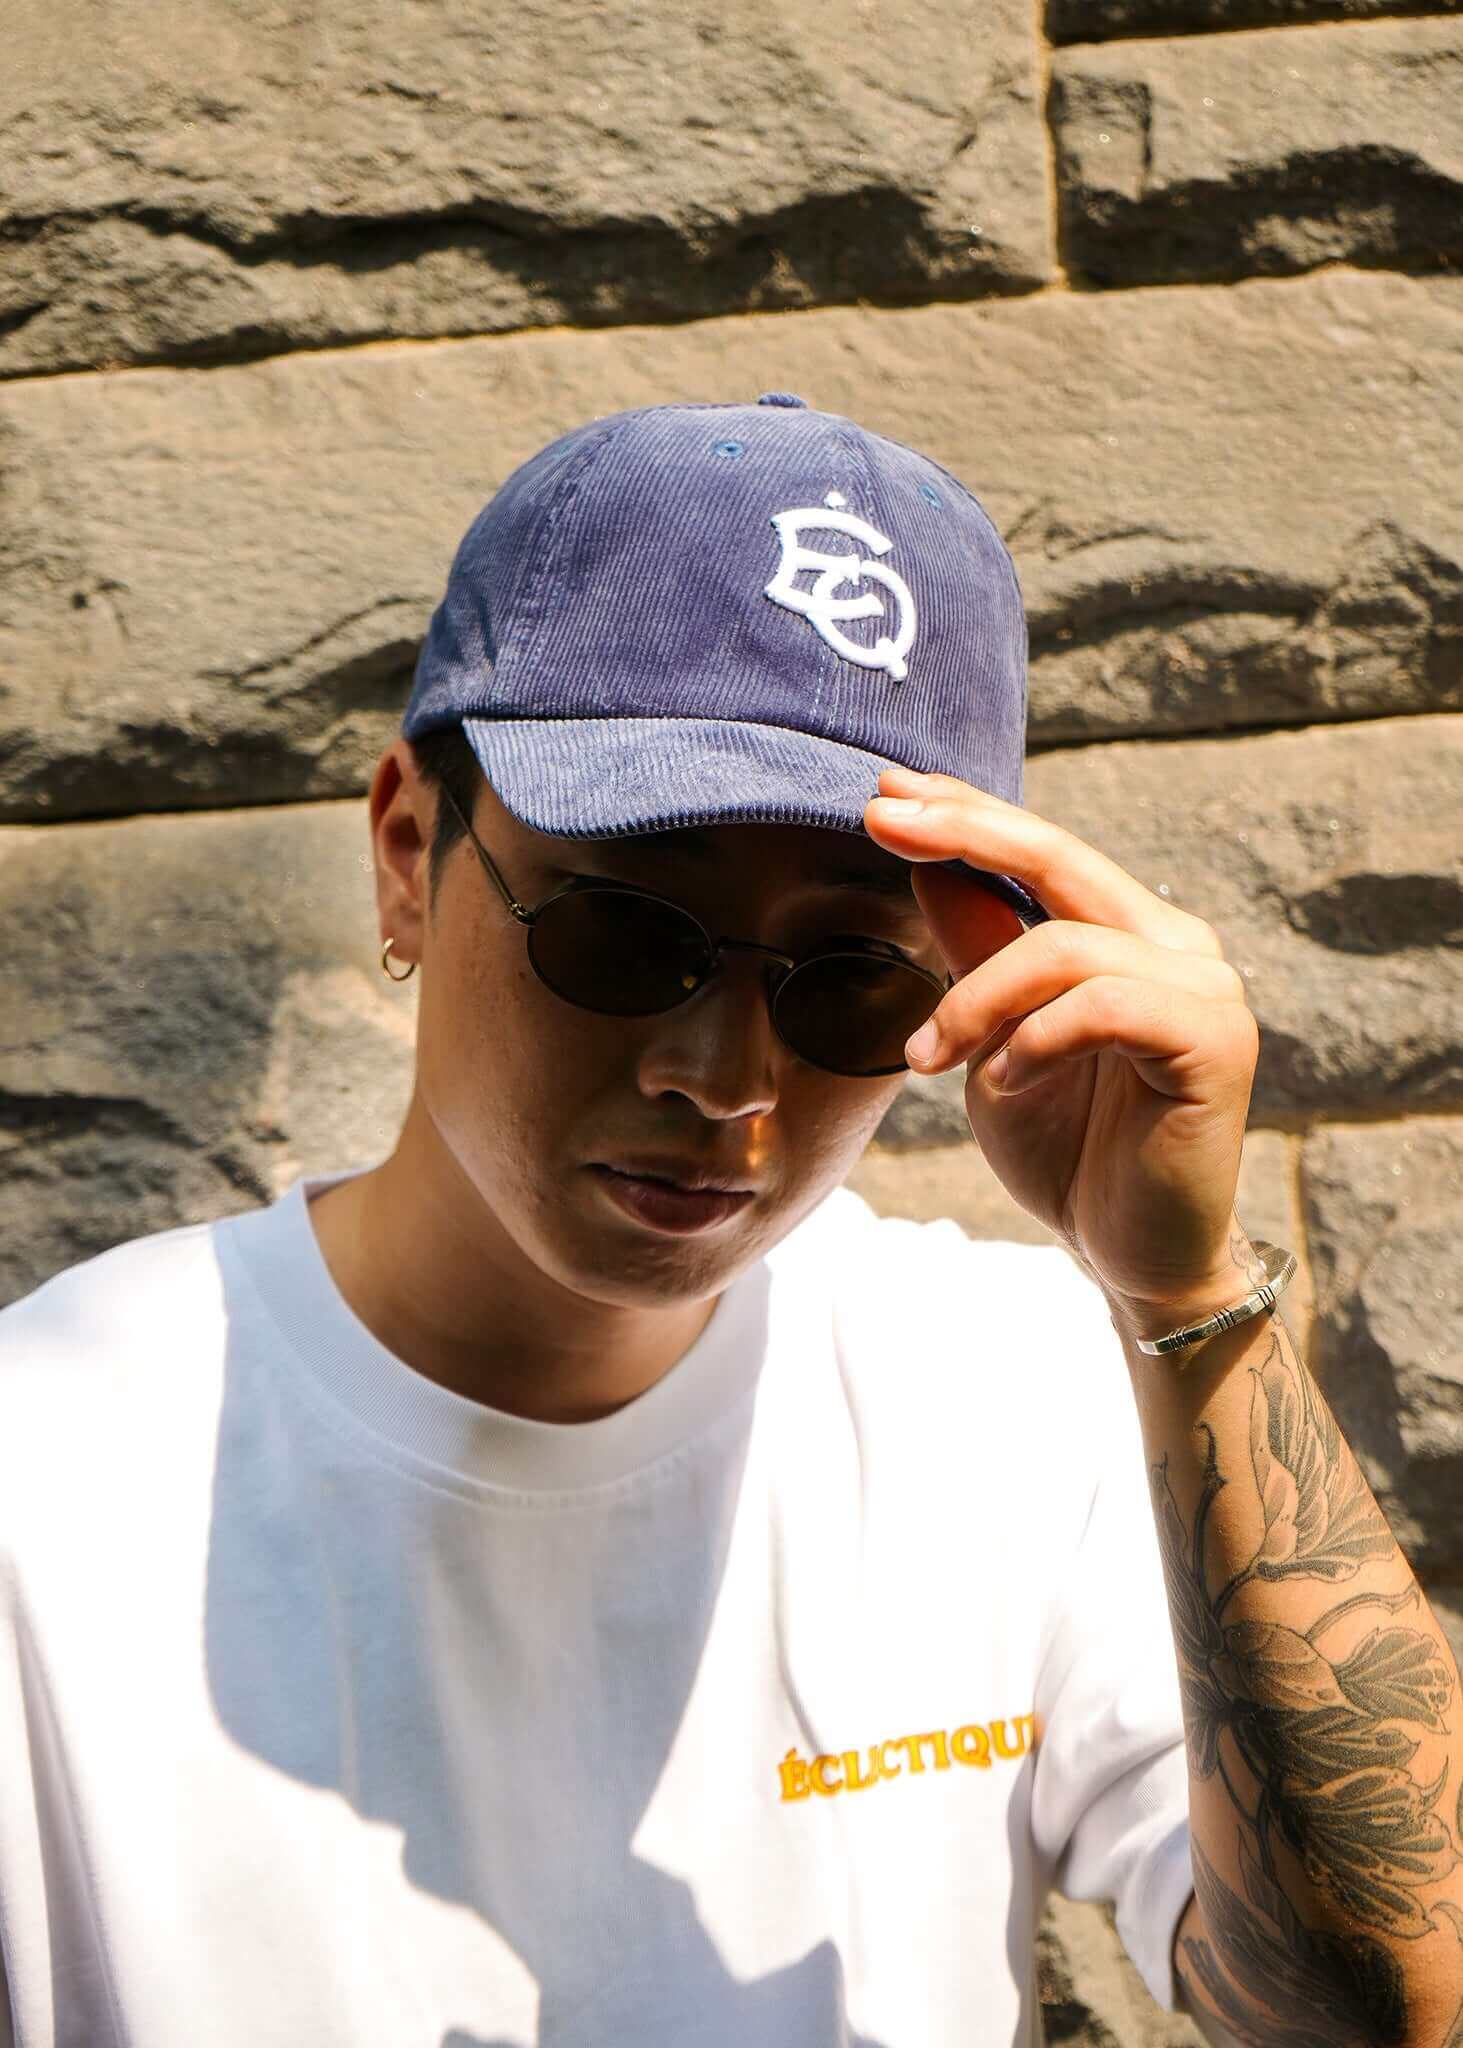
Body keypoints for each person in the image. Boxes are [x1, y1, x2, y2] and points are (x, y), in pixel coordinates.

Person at [2, 395, 1457, 2048]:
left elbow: (1382, 2013)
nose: (725, 1075)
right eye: (628, 933)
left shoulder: (1008, 1396)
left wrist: (1188, 1291)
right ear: (410, 854)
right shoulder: (47, 1477)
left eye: (850, 981)